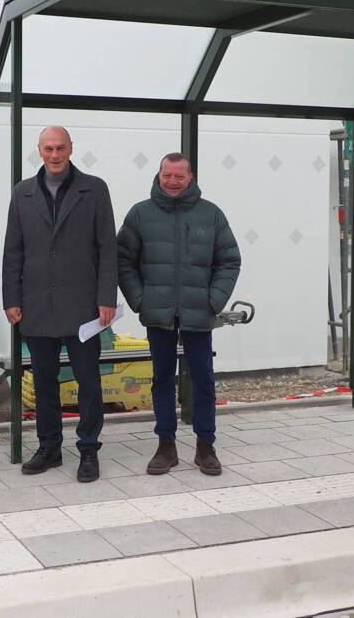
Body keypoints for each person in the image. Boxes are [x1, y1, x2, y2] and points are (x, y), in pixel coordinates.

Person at [3, 126, 117, 482]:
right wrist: (11, 299)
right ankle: (49, 446)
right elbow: (13, 251)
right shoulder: (23, 193)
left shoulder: (94, 189)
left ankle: (88, 449)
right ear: (39, 151)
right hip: (36, 304)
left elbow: (107, 249)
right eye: (48, 149)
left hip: (83, 306)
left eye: (60, 148)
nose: (54, 155)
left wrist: (106, 299)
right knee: (43, 381)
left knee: (88, 381)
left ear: (71, 149)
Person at [117, 152, 241, 477]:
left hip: (199, 314)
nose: (172, 182)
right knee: (161, 379)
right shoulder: (140, 215)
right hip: (157, 313)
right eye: (167, 176)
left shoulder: (211, 214)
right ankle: (166, 445)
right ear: (159, 176)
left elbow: (229, 260)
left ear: (191, 177)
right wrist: (140, 300)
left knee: (203, 380)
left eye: (179, 176)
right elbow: (123, 261)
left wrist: (213, 301)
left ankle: (205, 446)